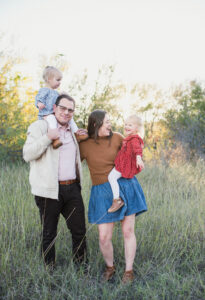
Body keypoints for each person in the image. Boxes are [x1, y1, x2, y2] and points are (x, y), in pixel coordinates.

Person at [79, 110, 147, 283]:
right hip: (101, 192)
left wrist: (138, 158)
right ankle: (110, 267)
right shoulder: (84, 144)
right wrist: (76, 135)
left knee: (128, 230)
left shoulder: (117, 137)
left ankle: (129, 271)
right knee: (103, 236)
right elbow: (70, 157)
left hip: (124, 185)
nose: (111, 125)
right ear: (96, 124)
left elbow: (135, 144)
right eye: (107, 122)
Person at [23, 94, 87, 269]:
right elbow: (27, 154)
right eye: (63, 108)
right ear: (55, 108)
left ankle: (81, 269)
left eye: (70, 110)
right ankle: (49, 270)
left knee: (79, 231)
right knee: (49, 233)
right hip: (48, 190)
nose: (66, 112)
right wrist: (48, 138)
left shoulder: (73, 132)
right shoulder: (39, 127)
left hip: (72, 188)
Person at [107, 115, 144, 213]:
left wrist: (139, 158)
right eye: (126, 124)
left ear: (136, 128)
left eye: (130, 125)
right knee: (113, 178)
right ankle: (118, 198)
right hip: (122, 164)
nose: (126, 127)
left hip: (124, 165)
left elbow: (137, 149)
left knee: (111, 177)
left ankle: (117, 200)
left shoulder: (134, 139)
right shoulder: (129, 138)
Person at [35, 66, 78, 148]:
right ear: (49, 79)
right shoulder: (44, 90)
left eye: (60, 80)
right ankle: (55, 139)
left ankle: (77, 134)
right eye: (57, 80)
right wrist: (39, 103)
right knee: (52, 119)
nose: (59, 82)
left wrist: (64, 94)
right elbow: (38, 98)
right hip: (45, 114)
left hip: (54, 113)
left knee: (70, 118)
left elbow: (63, 101)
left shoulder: (56, 92)